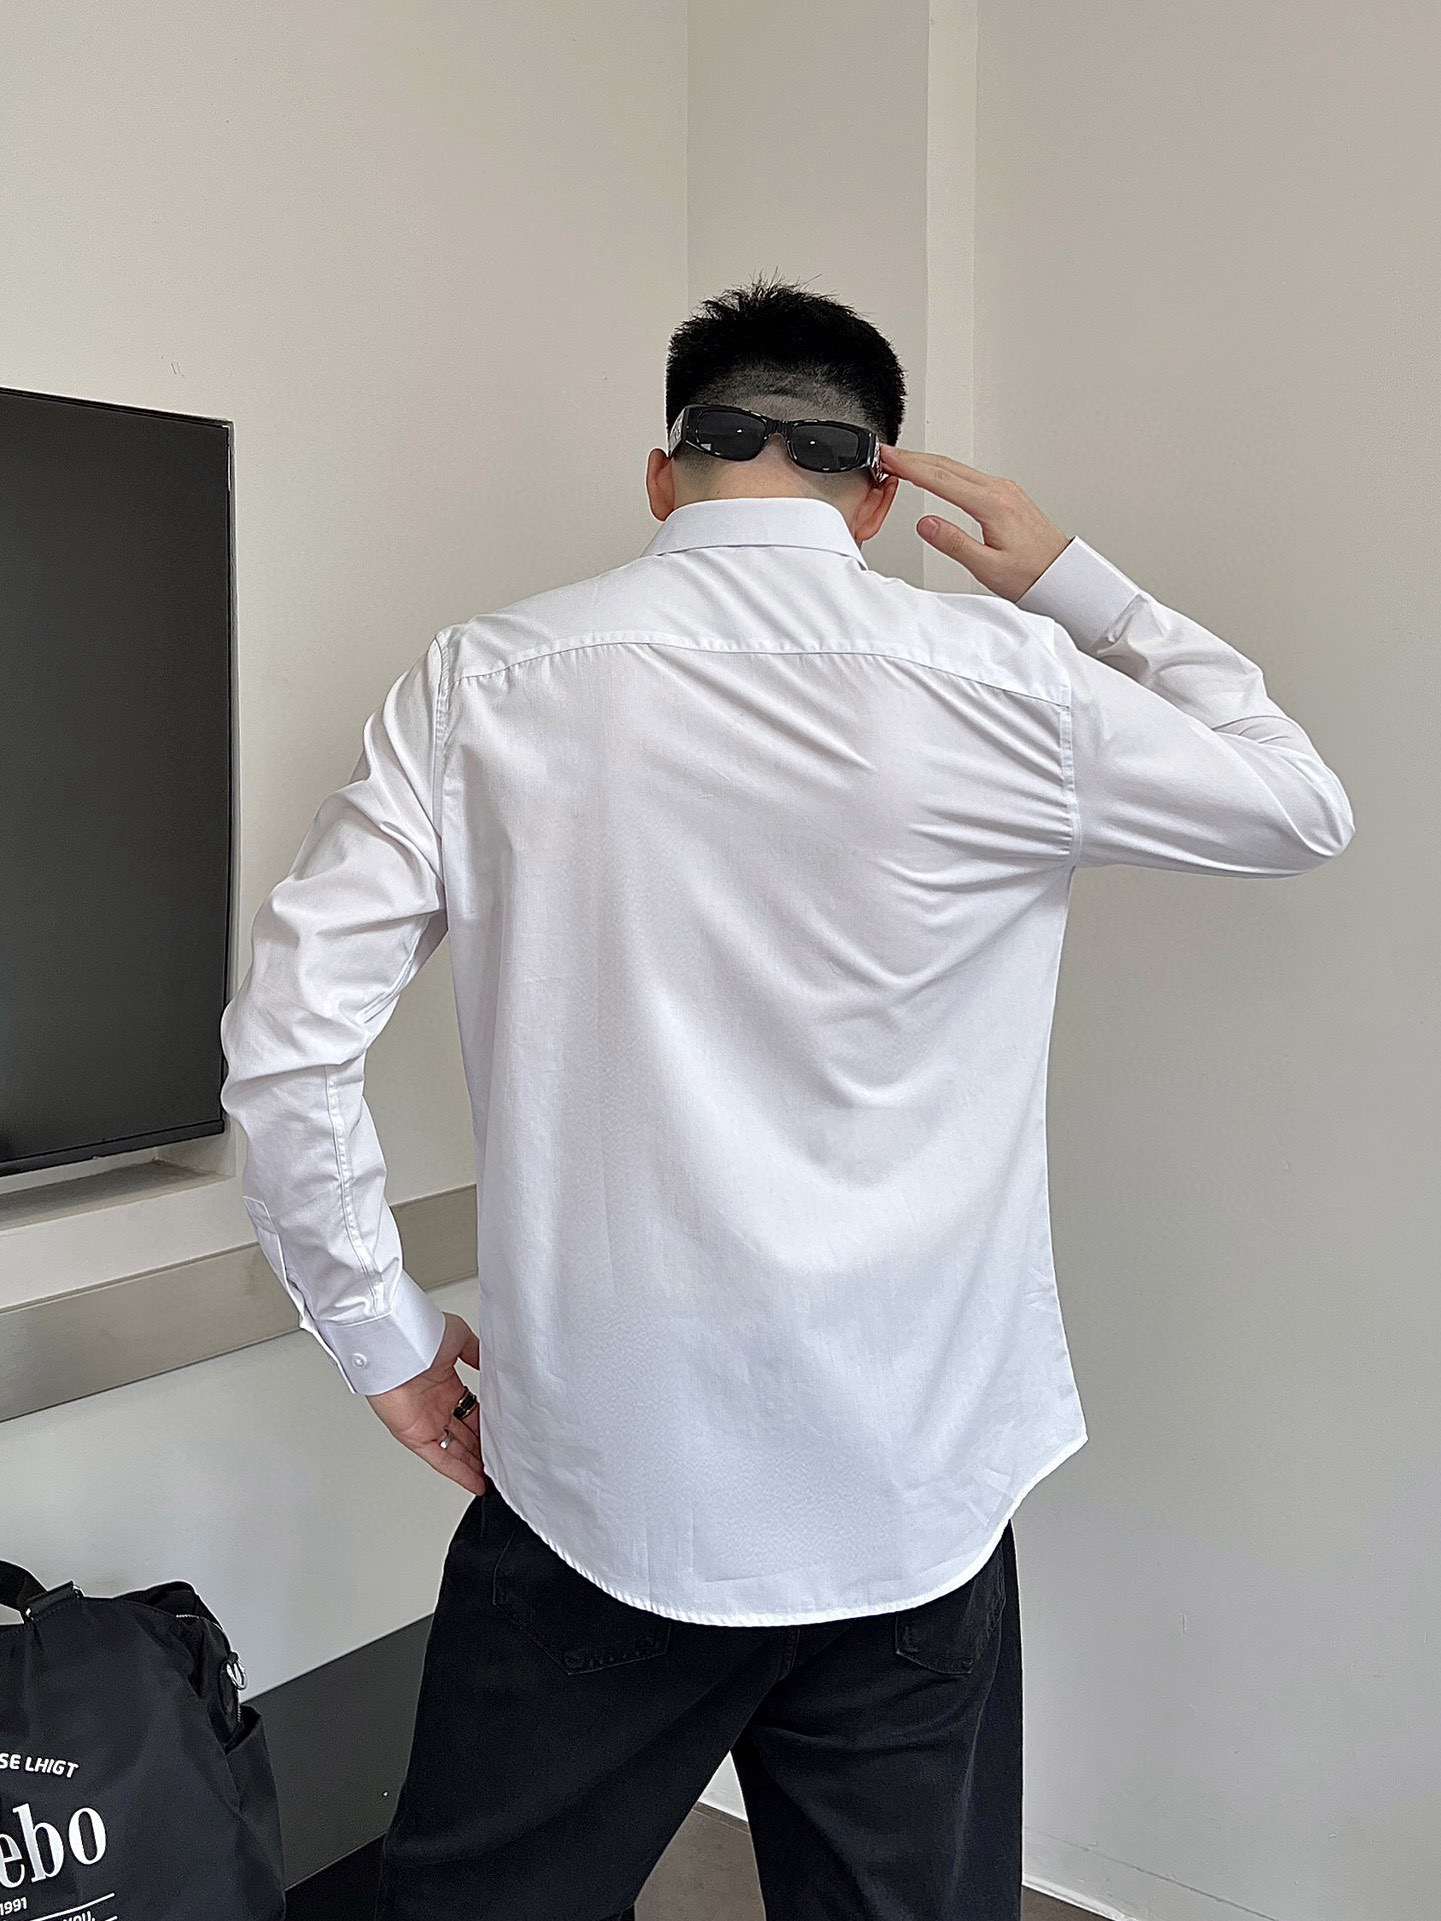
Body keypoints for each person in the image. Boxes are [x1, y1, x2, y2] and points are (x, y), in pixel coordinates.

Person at [218, 276, 1354, 1920]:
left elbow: (285, 1043)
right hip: (914, 1474)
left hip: (600, 1472)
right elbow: (1299, 805)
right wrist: (1075, 586)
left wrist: (381, 1337)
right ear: (879, 493)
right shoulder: (1009, 680)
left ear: (662, 472)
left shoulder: (485, 679)